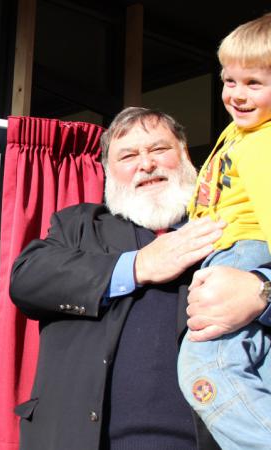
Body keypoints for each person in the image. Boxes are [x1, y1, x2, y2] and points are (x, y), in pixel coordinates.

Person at [9, 106, 271, 450]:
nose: (146, 164)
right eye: (128, 155)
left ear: (186, 156)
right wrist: (139, 266)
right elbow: (27, 278)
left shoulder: (234, 228)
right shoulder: (78, 226)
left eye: (159, 150)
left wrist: (261, 293)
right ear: (107, 172)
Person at [178, 14, 271, 450]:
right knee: (256, 371)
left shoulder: (263, 143)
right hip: (228, 253)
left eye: (254, 83)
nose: (237, 95)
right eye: (229, 80)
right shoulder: (239, 132)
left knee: (205, 366)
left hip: (244, 256)